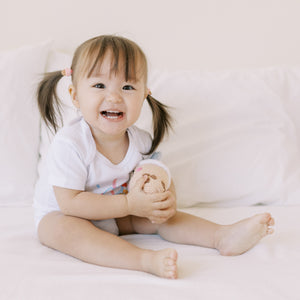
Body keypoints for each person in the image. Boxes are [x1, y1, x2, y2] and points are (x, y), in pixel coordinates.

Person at [34, 35, 274, 279]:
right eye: (99, 86)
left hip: (119, 218)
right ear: (75, 95)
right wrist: (128, 204)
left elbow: (156, 171)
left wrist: (164, 199)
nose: (114, 97)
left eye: (127, 87)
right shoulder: (71, 143)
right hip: (68, 216)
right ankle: (144, 260)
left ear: (144, 95)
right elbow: (70, 202)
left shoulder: (140, 141)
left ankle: (221, 236)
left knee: (161, 218)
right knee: (60, 229)